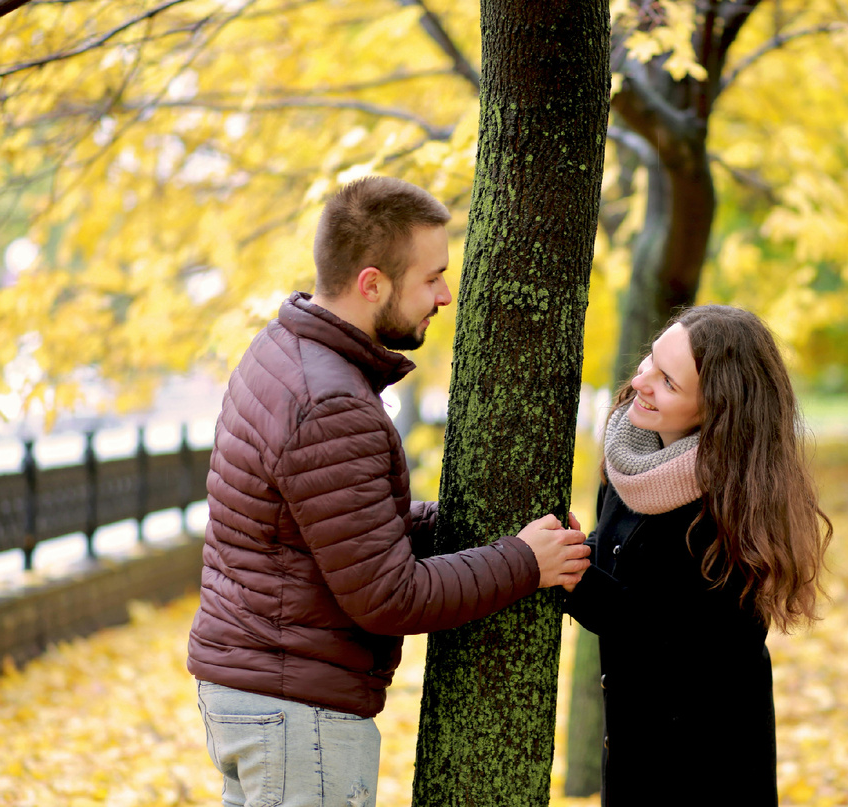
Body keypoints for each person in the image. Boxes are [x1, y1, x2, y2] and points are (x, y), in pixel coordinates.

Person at [186, 176, 590, 807]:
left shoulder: (285, 349)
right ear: (372, 283)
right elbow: (388, 596)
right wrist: (523, 563)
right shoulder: (331, 404)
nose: (446, 295)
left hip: (262, 693)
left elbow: (338, 526)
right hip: (297, 714)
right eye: (431, 278)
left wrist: (473, 524)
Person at [564, 304, 832, 806]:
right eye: (651, 360)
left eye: (668, 382)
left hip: (707, 768)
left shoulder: (735, 508)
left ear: (717, 410)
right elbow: (615, 557)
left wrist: (567, 574)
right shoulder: (633, 466)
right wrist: (571, 551)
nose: (641, 382)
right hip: (633, 756)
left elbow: (665, 636)